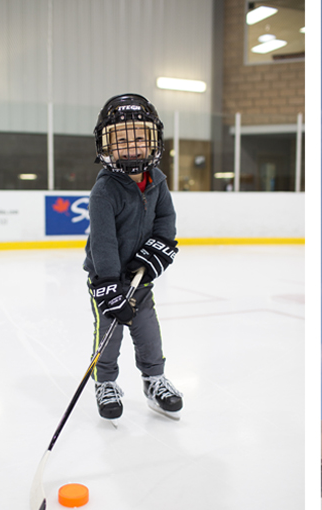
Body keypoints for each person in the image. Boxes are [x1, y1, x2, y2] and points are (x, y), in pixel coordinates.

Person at [84, 93, 182, 421]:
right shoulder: (104, 191)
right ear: (106, 145)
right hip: (108, 280)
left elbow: (165, 222)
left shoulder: (158, 182)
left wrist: (157, 253)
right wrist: (110, 285)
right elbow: (102, 243)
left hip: (140, 279)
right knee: (109, 336)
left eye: (140, 137)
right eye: (121, 140)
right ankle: (106, 383)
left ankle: (154, 380)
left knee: (148, 332)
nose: (132, 146)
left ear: (154, 140)